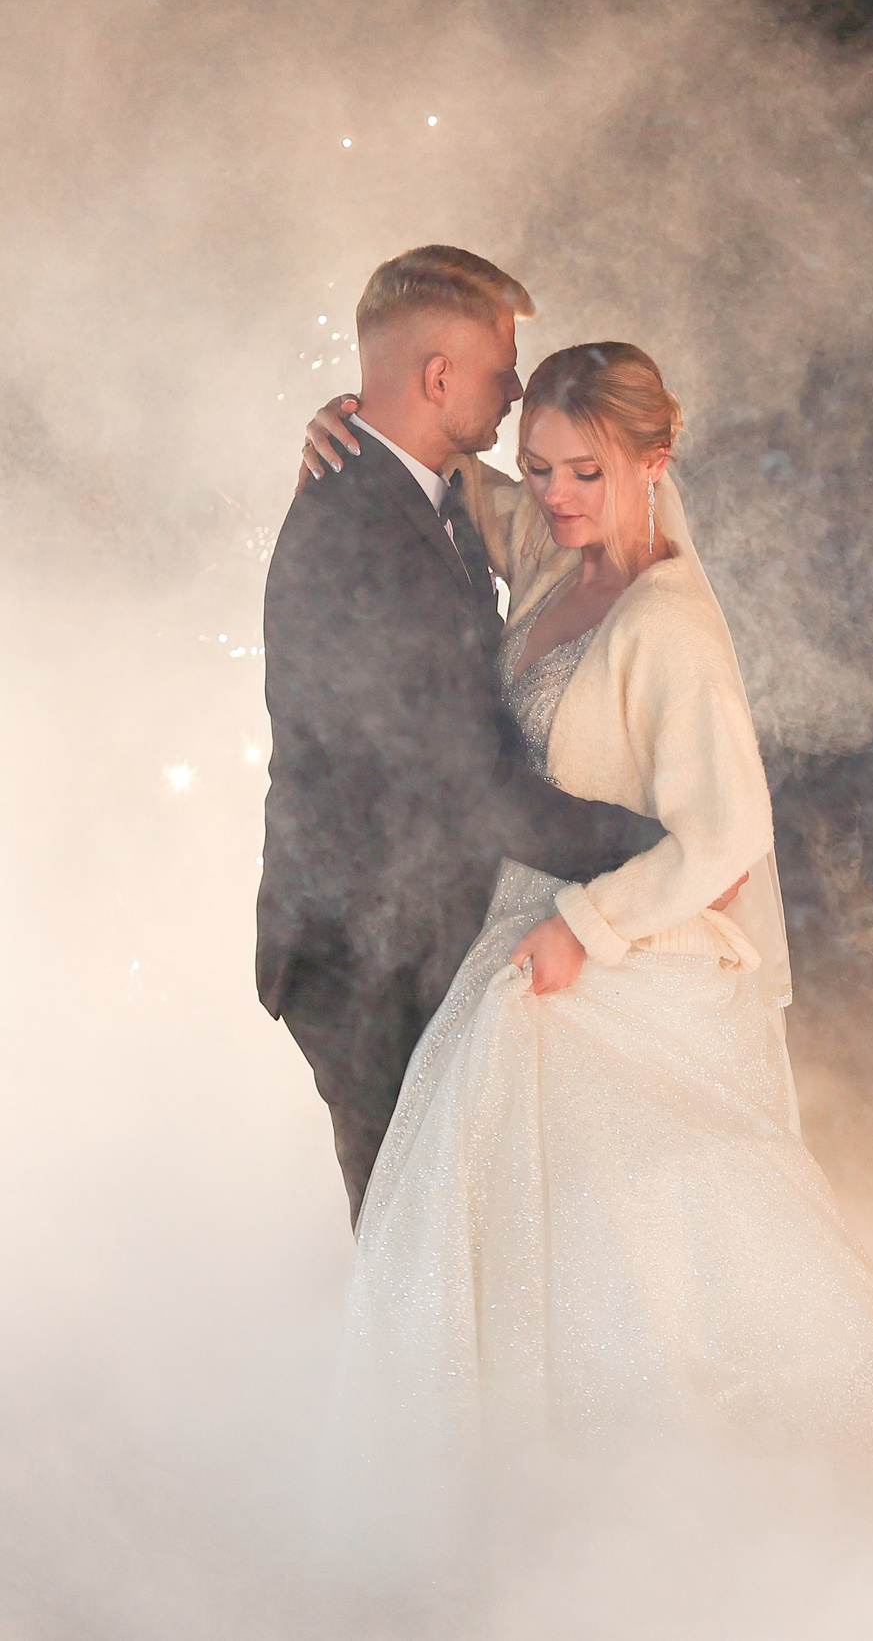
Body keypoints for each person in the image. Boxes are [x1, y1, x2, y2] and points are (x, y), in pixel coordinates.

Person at [301, 342, 873, 1464]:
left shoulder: (666, 626)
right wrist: (344, 431)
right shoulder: (554, 549)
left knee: (617, 1250)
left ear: (655, 460)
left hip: (620, 942)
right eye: (540, 467)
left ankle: (626, 1491)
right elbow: (444, 479)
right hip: (524, 916)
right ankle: (492, 1496)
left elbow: (728, 841)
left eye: (586, 472)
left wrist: (583, 929)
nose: (555, 494)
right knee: (493, 1218)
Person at [260, 246, 667, 1224]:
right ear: (439, 377)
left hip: (421, 929)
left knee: (471, 1233)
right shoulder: (365, 537)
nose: (518, 383)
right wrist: (656, 851)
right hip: (367, 959)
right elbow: (470, 786)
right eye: (500, 362)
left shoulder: (407, 491)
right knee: (420, 1253)